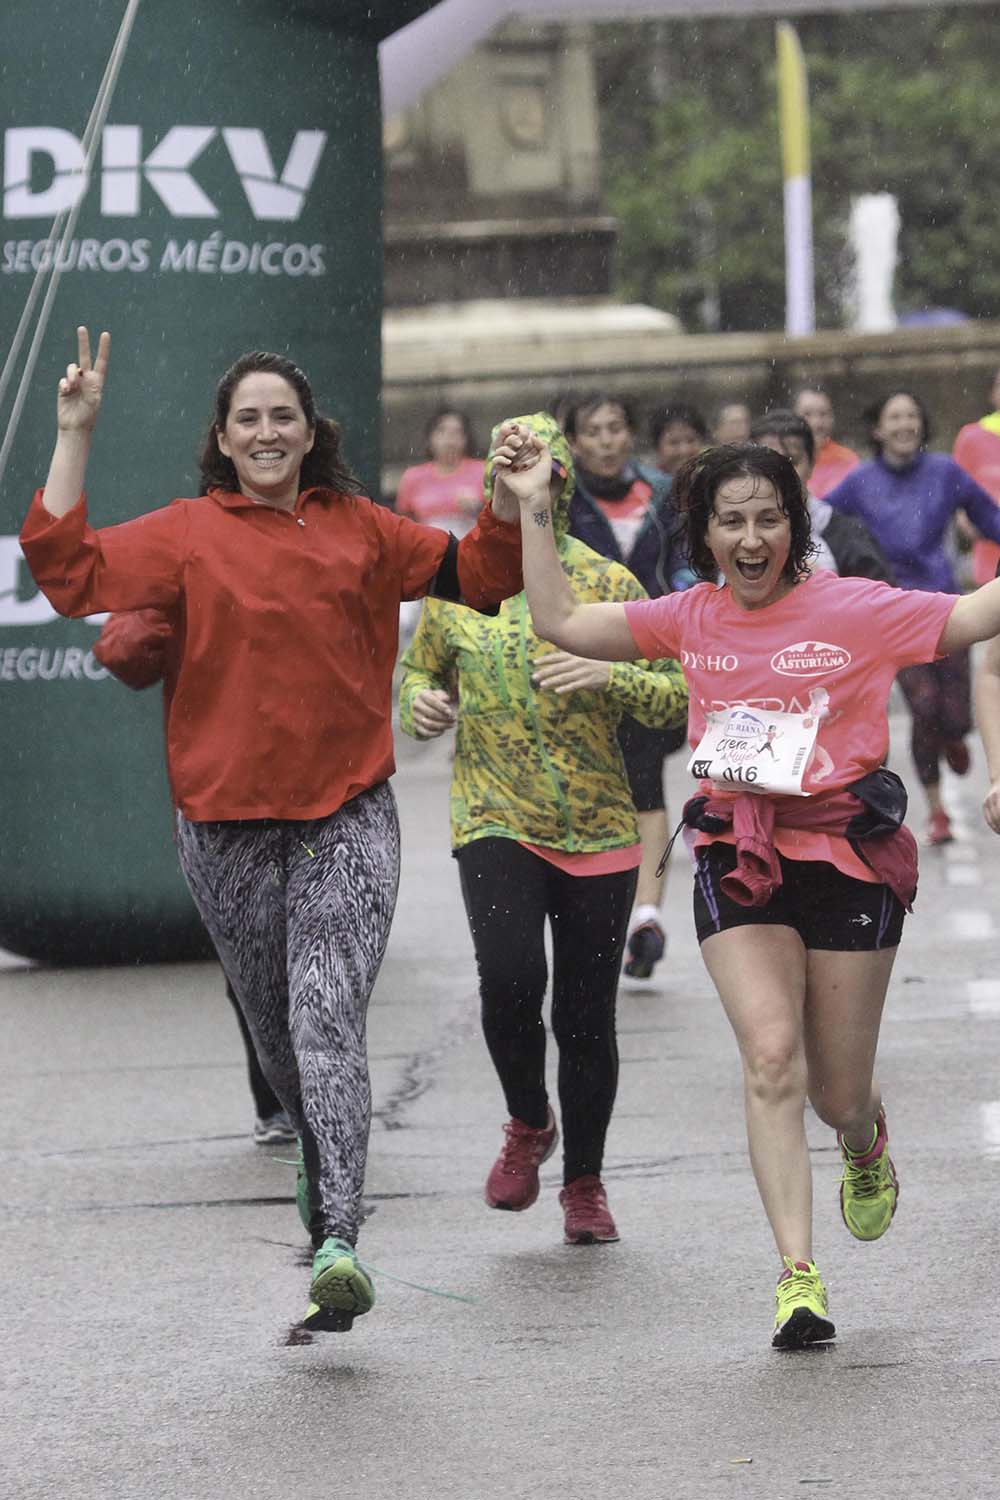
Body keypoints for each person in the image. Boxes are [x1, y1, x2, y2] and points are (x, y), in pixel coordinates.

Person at [20, 327, 524, 1333]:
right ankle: (317, 1151)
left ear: (308, 432)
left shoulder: (361, 528)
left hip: (347, 813)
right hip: (225, 829)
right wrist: (75, 430)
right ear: (222, 438)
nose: (265, 432)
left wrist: (508, 499)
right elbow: (67, 575)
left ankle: (338, 1237)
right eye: (246, 418)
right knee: (281, 1035)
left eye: (281, 416)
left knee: (327, 1015)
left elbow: (481, 576)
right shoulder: (185, 533)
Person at [496, 432, 1000, 1348]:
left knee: (835, 1094)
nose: (752, 536)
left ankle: (863, 1137)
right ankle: (798, 1278)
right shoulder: (690, 616)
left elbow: (971, 617)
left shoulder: (853, 606)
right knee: (772, 1059)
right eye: (732, 521)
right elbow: (560, 620)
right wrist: (535, 503)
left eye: (770, 518)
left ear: (795, 528)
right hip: (741, 852)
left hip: (847, 854)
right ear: (705, 535)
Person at [398, 413, 686, 1246]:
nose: (526, 494)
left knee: (586, 1017)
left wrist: (610, 674)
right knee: (511, 980)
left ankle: (584, 1184)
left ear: (561, 486)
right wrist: (420, 704)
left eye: (543, 479)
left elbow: (677, 696)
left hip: (599, 825)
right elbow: (415, 676)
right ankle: (528, 1120)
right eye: (507, 479)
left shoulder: (607, 583)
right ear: (490, 485)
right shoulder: (459, 582)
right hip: (494, 815)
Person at [92, 607, 297, 1147]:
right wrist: (178, 603)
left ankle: (326, 1099)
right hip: (225, 802)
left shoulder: (316, 551)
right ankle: (279, 1101)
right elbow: (122, 651)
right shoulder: (183, 562)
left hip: (322, 783)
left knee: (325, 961)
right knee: (252, 962)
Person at [826, 390, 1000, 845]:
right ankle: (937, 810)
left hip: (948, 608)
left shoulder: (945, 471)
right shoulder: (859, 482)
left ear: (921, 424)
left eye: (911, 417)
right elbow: (820, 525)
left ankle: (953, 735)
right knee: (923, 707)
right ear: (877, 428)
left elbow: (990, 517)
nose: (904, 425)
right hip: (890, 612)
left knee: (955, 714)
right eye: (894, 417)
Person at [564, 391, 692, 983]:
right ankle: (601, 914)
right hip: (578, 657)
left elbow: (688, 563)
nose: (606, 440)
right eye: (593, 430)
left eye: (616, 427)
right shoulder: (559, 503)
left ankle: (646, 916)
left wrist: (682, 607)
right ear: (574, 442)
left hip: (649, 658)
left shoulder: (663, 497)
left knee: (645, 783)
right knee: (593, 788)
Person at [749, 410, 892, 581]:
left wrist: (823, 588)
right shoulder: (728, 532)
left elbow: (880, 592)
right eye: (767, 463)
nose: (779, 473)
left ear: (811, 465)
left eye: (791, 461)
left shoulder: (846, 535)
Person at [952, 367, 1000, 586]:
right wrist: (965, 520)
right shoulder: (971, 437)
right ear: (992, 393)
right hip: (987, 551)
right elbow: (956, 490)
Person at [793, 386, 860, 499]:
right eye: (807, 414)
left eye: (823, 414)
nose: (816, 423)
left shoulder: (848, 461)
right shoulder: (783, 458)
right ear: (792, 417)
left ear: (832, 418)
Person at [650, 403, 709, 479]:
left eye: (691, 440)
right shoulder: (644, 483)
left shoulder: (713, 481)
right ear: (657, 447)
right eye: (674, 443)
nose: (684, 450)